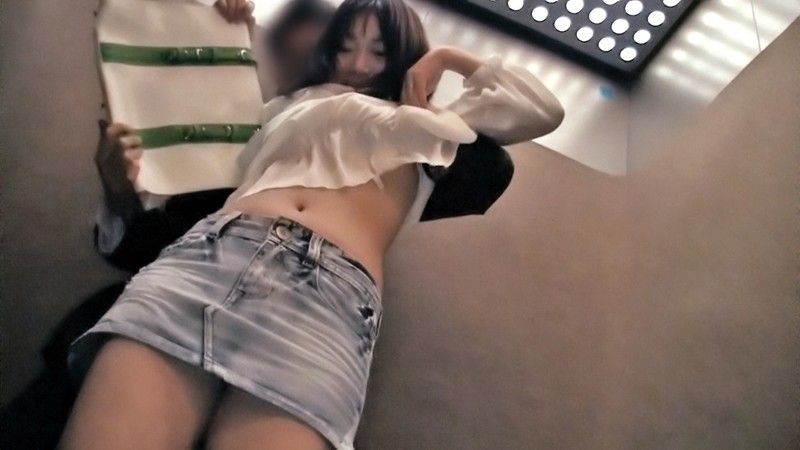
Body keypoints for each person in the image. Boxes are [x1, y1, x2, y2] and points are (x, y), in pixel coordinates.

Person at [59, 0, 564, 449]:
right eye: (346, 46)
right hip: (210, 258)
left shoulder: (432, 129)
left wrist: (446, 57)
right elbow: (186, 127)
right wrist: (225, 26)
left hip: (328, 302)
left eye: (380, 51)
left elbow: (540, 109)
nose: (359, 65)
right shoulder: (279, 109)